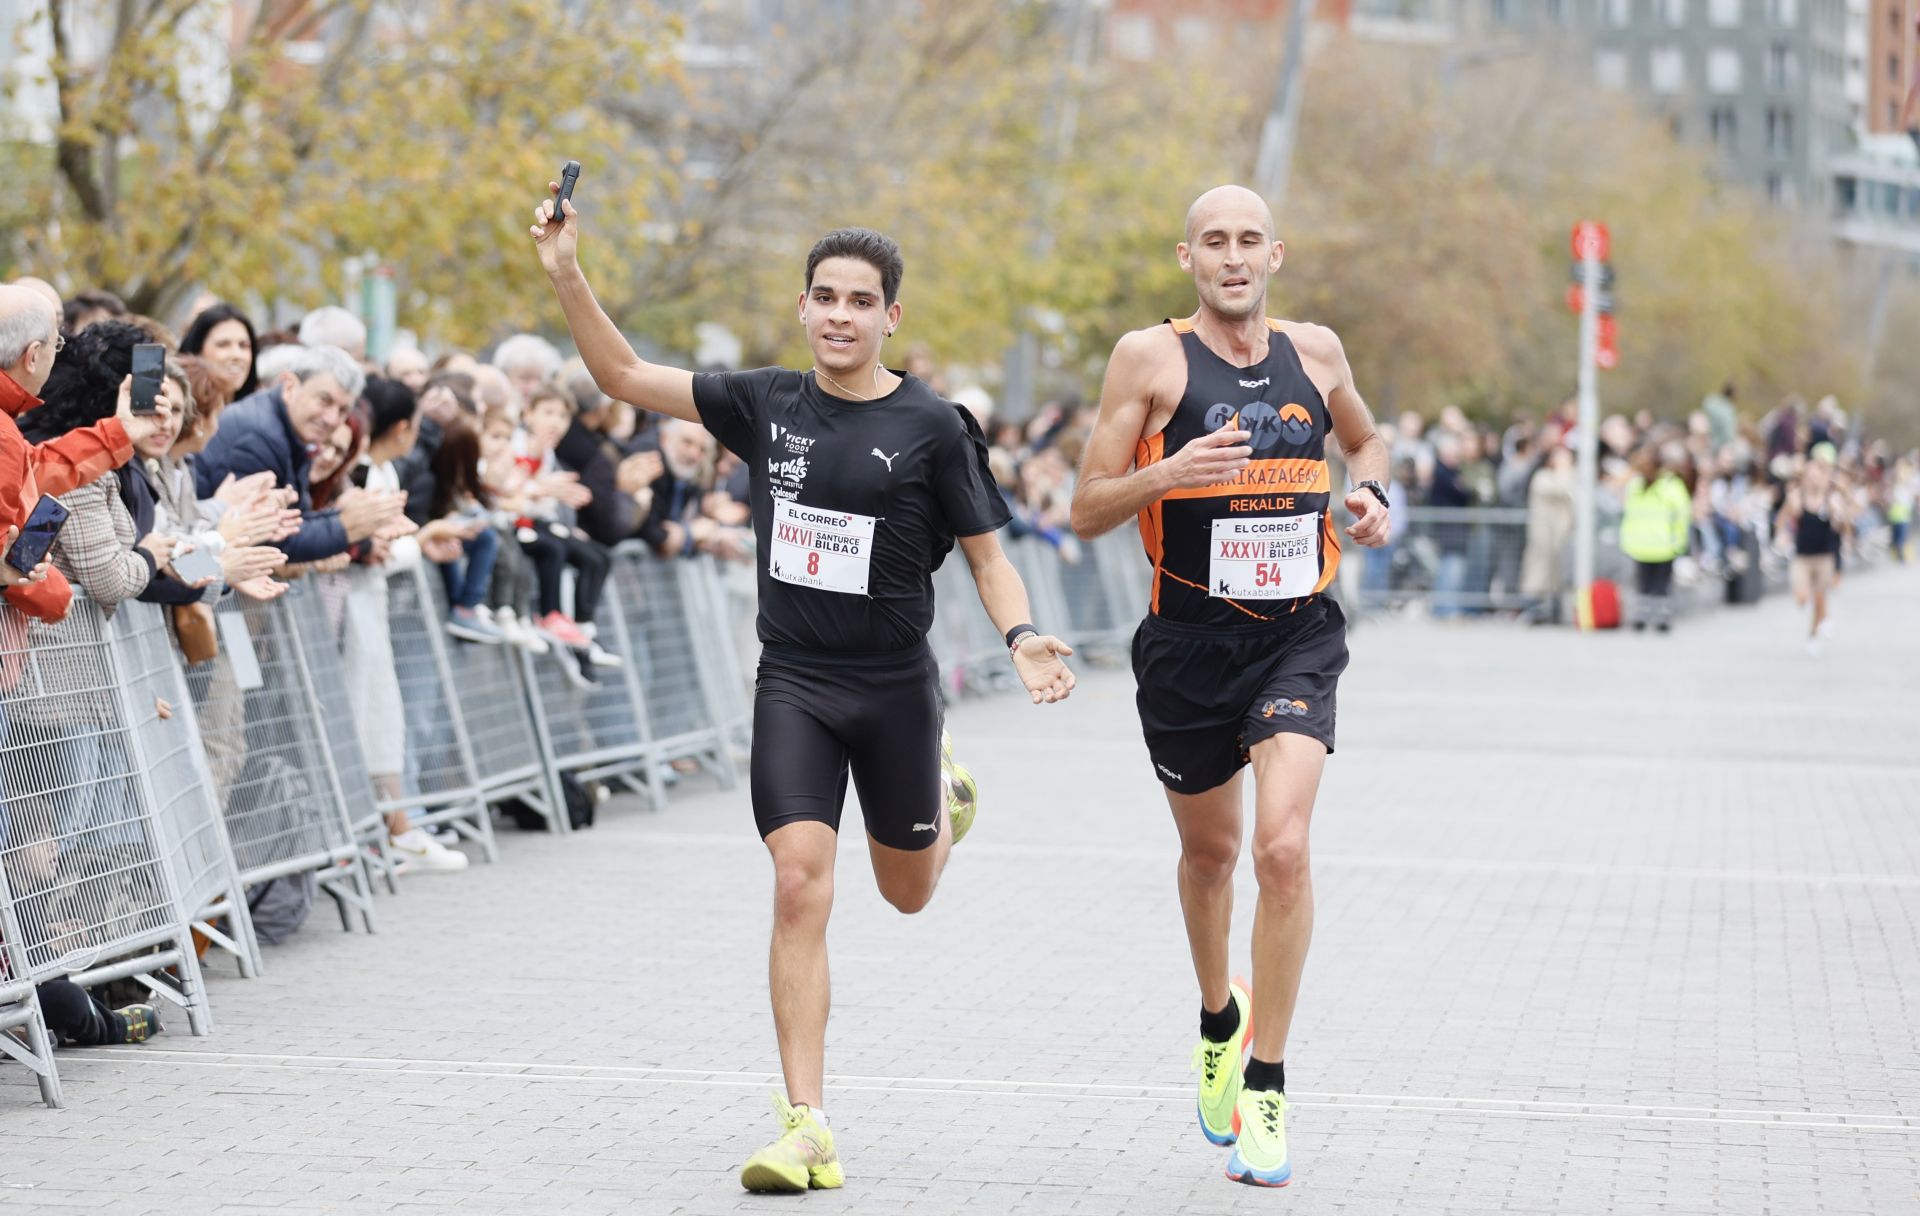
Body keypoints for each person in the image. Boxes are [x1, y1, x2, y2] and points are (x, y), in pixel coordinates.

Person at [532, 190, 1076, 1193]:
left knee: (907, 893)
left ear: (890, 318)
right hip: (795, 679)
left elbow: (988, 557)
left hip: (895, 686)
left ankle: (944, 798)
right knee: (796, 882)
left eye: (860, 302)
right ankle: (807, 1123)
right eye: (825, 297)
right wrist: (567, 271)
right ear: (802, 306)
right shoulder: (765, 402)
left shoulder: (933, 425)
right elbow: (620, 375)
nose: (839, 315)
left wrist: (1022, 636)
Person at [1068, 185, 1390, 1189]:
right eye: (1215, 242)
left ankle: (1268, 1083)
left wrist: (1374, 491)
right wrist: (1170, 474)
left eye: (1251, 240)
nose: (1234, 256)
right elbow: (1085, 508)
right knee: (1209, 858)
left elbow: (1366, 441)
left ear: (1276, 255)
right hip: (1187, 647)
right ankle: (1219, 1016)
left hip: (1296, 635)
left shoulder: (1318, 352)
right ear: (1189, 258)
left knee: (1281, 850)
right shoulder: (1148, 359)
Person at [192, 345, 406, 562]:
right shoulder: (259, 437)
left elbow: (291, 521)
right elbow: (270, 538)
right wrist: (346, 525)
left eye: (343, 410)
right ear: (290, 386)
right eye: (324, 400)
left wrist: (344, 516)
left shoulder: (289, 430)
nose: (332, 419)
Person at [1777, 451, 1849, 656]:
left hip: (1824, 557)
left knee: (1819, 598)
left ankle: (1813, 634)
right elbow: (1781, 520)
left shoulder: (1831, 499)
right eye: (1809, 477)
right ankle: (1822, 619)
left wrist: (1838, 516)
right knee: (1802, 597)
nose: (1813, 481)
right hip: (1802, 556)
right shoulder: (1796, 497)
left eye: (1817, 477)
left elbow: (1844, 527)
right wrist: (1782, 535)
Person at [1618, 445, 1691, 633]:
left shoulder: (1636, 485)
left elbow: (1627, 514)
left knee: (1644, 582)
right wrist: (1679, 541)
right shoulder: (1670, 485)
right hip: (1663, 544)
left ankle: (1643, 615)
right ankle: (1660, 616)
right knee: (1661, 583)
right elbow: (1682, 515)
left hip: (1641, 544)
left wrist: (1627, 539)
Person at [179, 302, 260, 403]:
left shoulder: (263, 408)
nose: (237, 355)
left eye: (243, 345)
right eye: (223, 345)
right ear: (197, 350)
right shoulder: (174, 408)